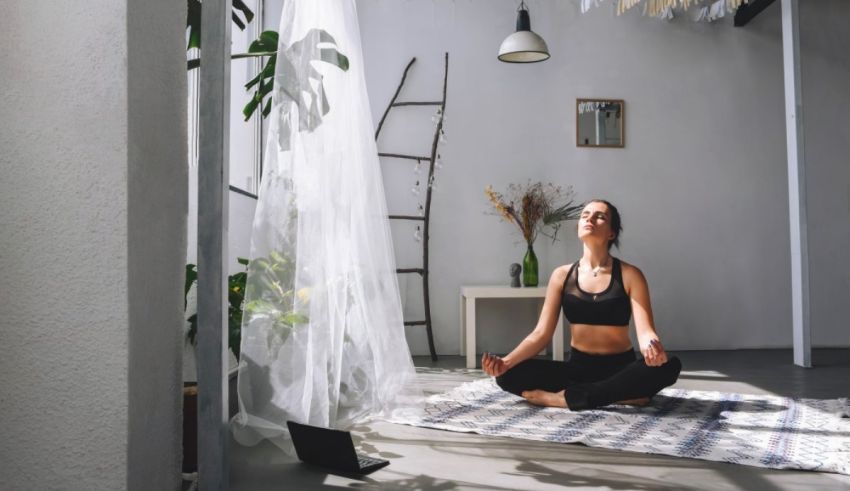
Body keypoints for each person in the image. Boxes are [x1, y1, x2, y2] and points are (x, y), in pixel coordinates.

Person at [482, 199, 682, 410]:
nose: (590, 218)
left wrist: (653, 350)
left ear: (611, 233)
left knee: (667, 367)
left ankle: (565, 399)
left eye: (600, 216)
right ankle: (619, 395)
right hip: (577, 369)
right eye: (585, 215)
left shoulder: (630, 275)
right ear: (578, 227)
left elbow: (645, 333)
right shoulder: (561, 275)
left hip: (620, 369)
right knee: (507, 376)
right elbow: (541, 334)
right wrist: (506, 362)